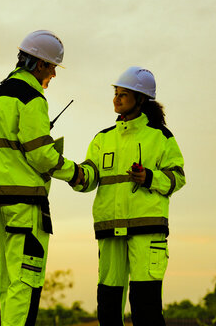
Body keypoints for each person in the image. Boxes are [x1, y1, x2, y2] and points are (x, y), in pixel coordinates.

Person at [0, 30, 84, 326]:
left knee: (9, 287)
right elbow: (42, 156)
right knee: (25, 286)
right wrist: (77, 173)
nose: (54, 75)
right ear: (42, 65)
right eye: (53, 68)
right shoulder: (33, 100)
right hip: (25, 209)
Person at [72, 66, 186, 325]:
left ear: (141, 99)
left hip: (147, 230)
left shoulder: (162, 137)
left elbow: (178, 177)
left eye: (124, 94)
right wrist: (77, 175)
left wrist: (149, 178)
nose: (117, 98)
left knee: (146, 307)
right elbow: (91, 175)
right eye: (116, 93)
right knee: (109, 307)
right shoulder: (102, 139)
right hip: (110, 229)